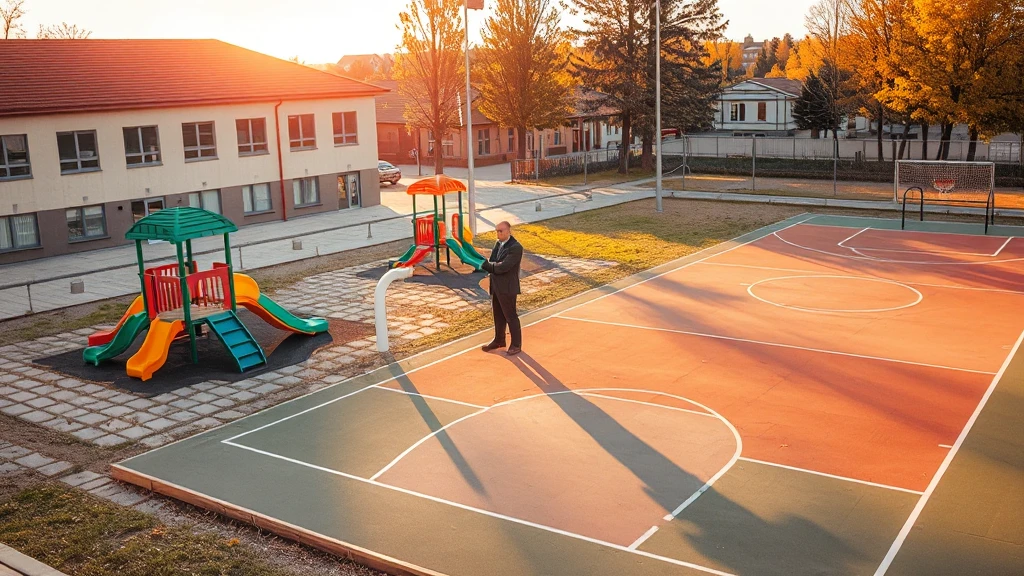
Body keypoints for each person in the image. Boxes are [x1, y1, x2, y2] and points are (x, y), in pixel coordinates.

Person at [480, 221, 523, 356]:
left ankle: (516, 344)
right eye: (497, 231)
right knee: (498, 314)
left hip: (508, 287)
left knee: (510, 316)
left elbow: (504, 267)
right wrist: (491, 265)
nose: (498, 234)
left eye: (501, 231)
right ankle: (499, 340)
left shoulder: (516, 247)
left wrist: (488, 266)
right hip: (496, 285)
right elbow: (493, 261)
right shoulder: (498, 244)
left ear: (508, 231)